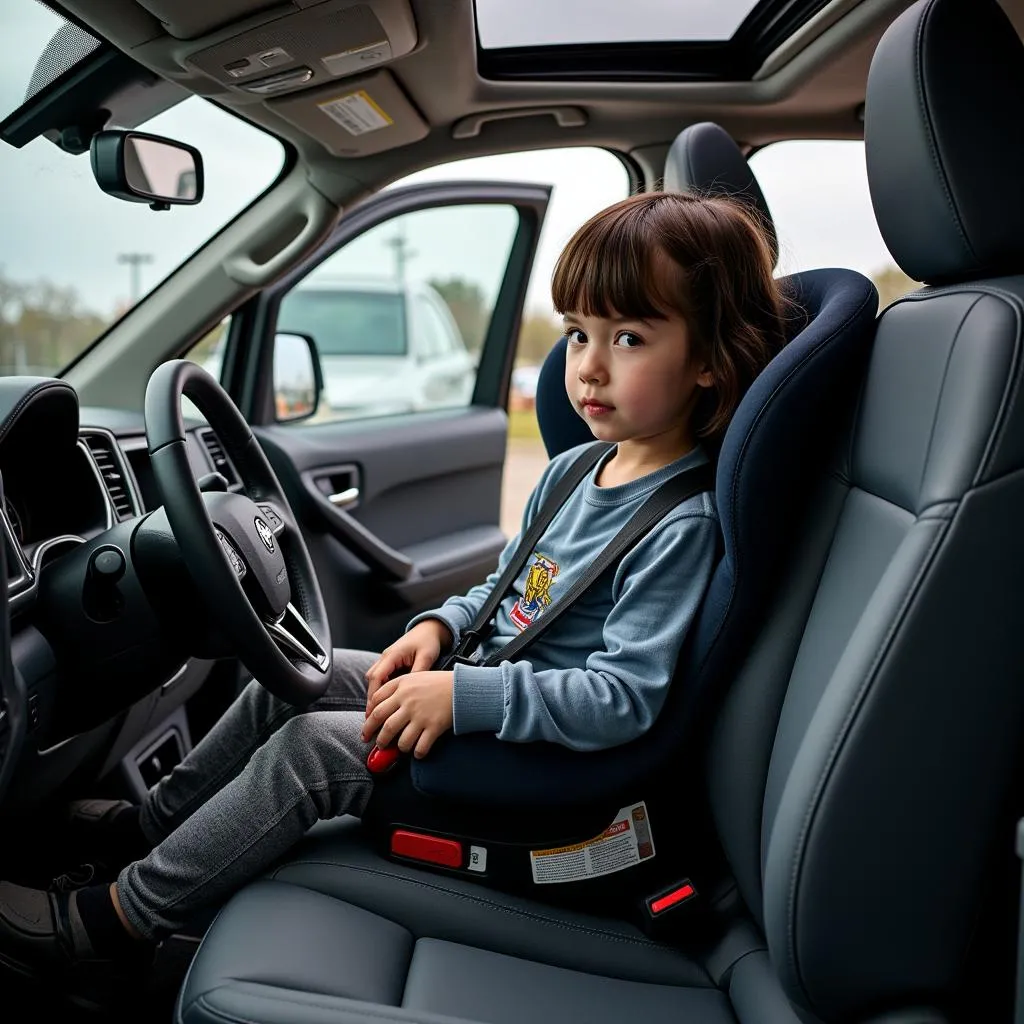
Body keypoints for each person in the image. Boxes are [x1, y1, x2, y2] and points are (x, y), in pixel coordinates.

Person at [0, 191, 788, 976]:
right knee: (296, 678)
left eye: (629, 338)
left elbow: (624, 698)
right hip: (496, 693)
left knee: (315, 750)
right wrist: (439, 629)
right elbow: (510, 591)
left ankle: (120, 916)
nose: (587, 365)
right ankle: (151, 824)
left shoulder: (680, 526)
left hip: (551, 770)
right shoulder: (578, 468)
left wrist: (462, 698)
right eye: (580, 333)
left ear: (711, 360)